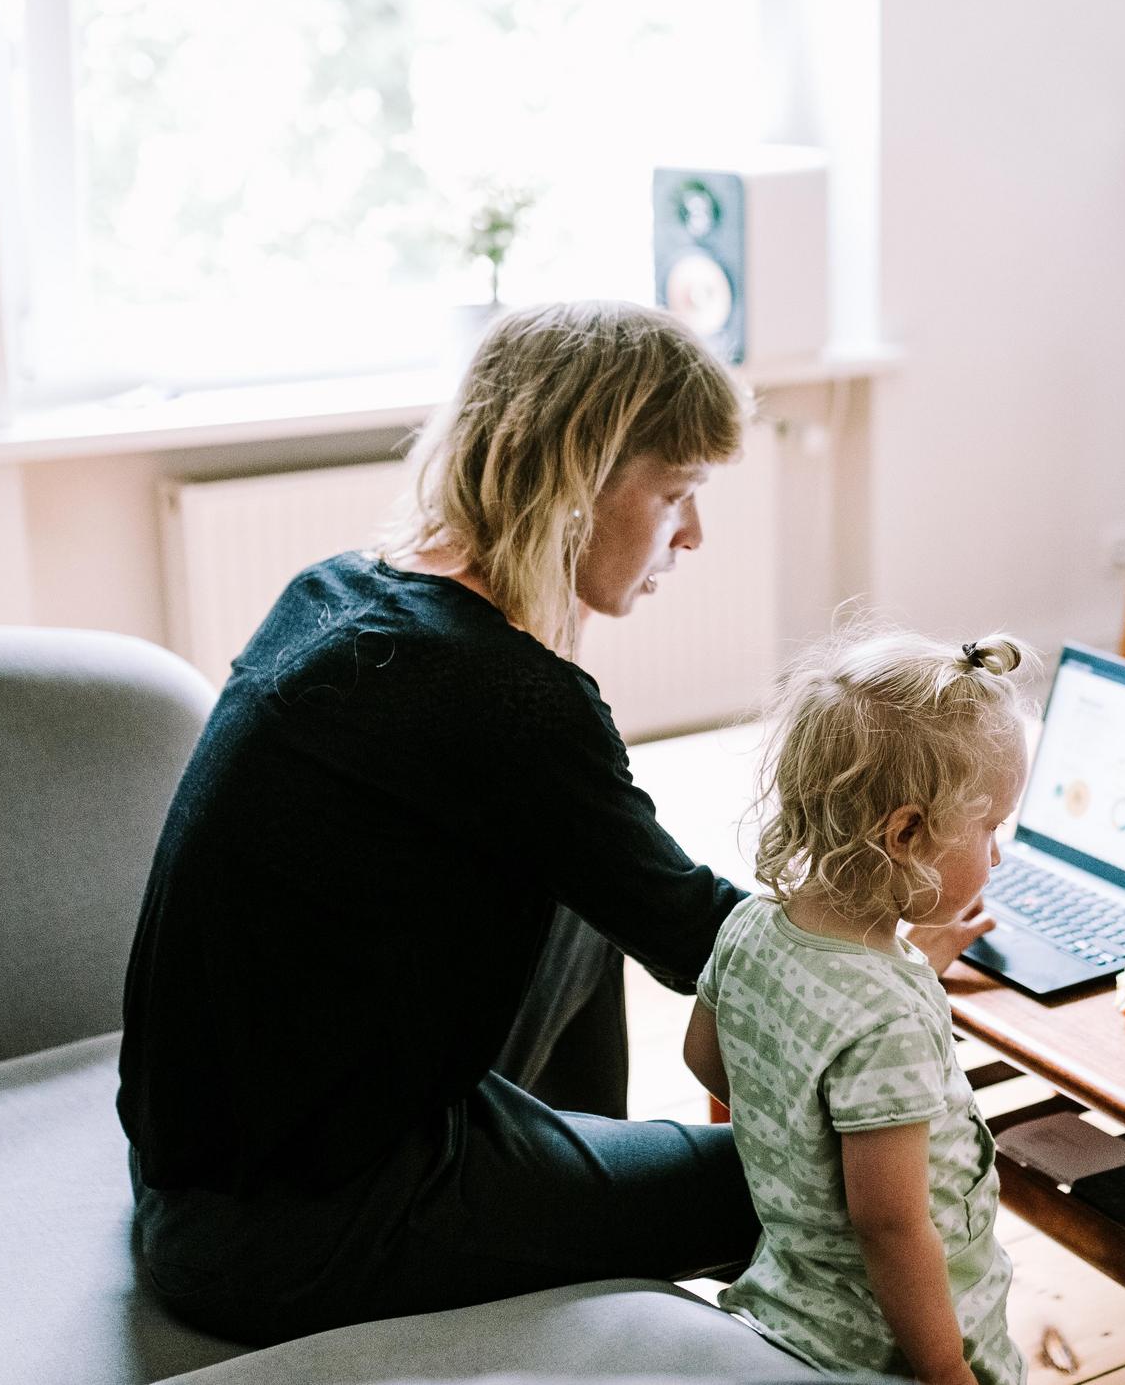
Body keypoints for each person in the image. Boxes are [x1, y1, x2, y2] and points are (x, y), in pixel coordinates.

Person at [115, 301, 993, 1345]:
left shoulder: (338, 592)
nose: (693, 531)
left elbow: (637, 887)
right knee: (814, 1184)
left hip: (223, 1165)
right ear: (581, 480)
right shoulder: (508, 700)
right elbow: (720, 945)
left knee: (582, 890)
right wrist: (891, 951)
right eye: (676, 491)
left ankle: (587, 1192)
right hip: (300, 1229)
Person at [685, 629, 1034, 1385]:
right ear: (906, 833)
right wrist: (946, 1370)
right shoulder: (889, 1019)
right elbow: (892, 1223)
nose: (998, 855)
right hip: (887, 1354)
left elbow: (706, 1057)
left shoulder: (750, 924)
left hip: (787, 1298)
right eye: (991, 827)